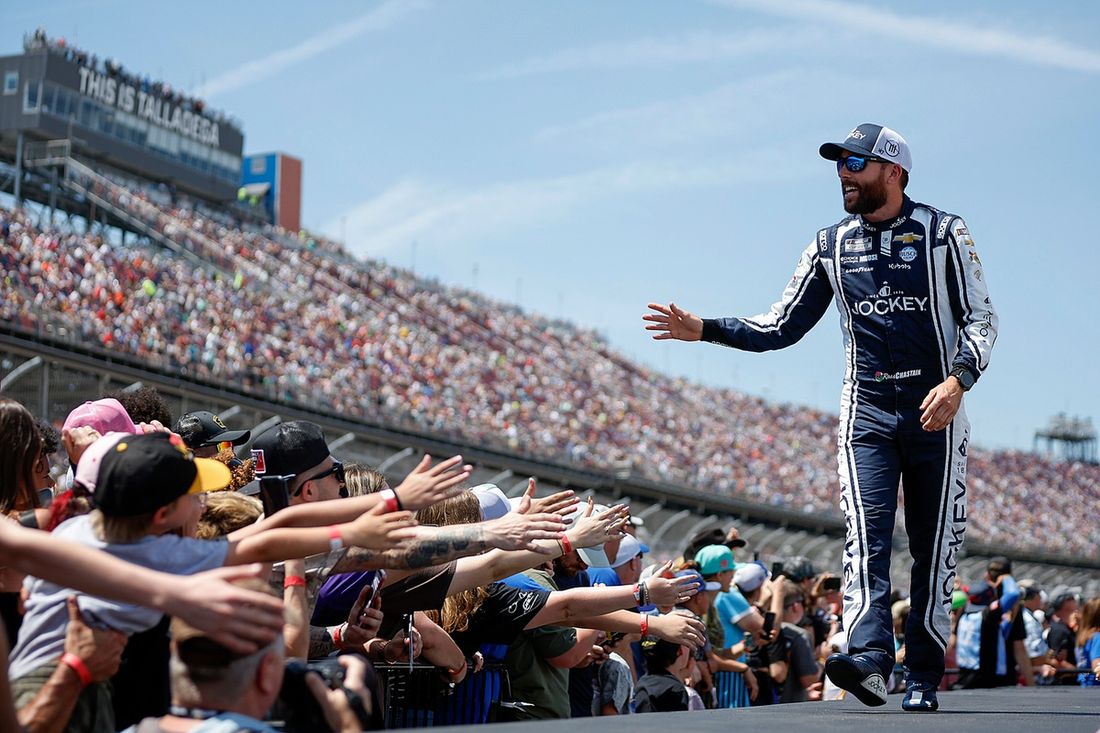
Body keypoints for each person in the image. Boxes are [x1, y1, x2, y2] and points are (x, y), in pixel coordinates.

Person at [644, 122, 998, 712]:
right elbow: (779, 327)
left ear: (894, 172)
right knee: (866, 536)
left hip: (937, 413)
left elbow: (982, 319)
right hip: (866, 413)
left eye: (856, 164)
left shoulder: (943, 232)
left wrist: (957, 381)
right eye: (839, 163)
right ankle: (870, 659)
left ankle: (924, 674)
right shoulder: (830, 245)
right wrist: (704, 329)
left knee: (936, 545)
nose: (843, 174)